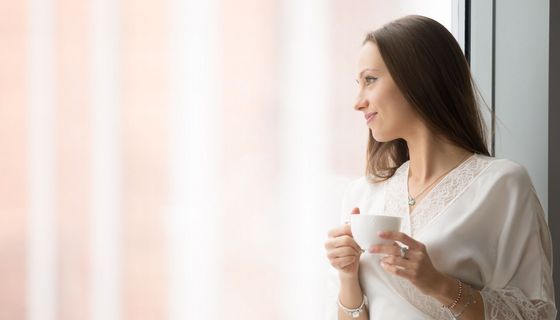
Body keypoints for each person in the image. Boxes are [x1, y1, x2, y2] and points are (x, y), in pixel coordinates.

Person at [324, 15, 556, 319]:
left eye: (370, 80)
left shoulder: (502, 185)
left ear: (417, 78)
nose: (358, 102)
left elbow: (534, 315)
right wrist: (347, 276)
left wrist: (438, 284)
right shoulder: (362, 196)